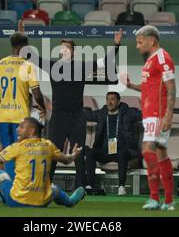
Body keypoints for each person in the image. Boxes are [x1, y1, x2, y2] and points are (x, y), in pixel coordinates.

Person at [20, 23, 123, 189]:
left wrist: (116, 45)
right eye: (62, 48)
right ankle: (46, 186)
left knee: (79, 156)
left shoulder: (82, 66)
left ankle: (80, 188)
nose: (64, 50)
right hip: (58, 118)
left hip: (77, 117)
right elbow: (30, 56)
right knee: (52, 153)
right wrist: (24, 38)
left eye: (67, 47)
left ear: (73, 52)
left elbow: (105, 60)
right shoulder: (52, 65)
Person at [0, 117, 86, 208]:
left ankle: (2, 197)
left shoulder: (17, 147)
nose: (17, 130)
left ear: (31, 131)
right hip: (42, 201)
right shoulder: (48, 145)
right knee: (54, 189)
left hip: (17, 200)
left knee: (0, 174)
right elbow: (67, 160)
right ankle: (70, 201)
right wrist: (74, 154)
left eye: (21, 127)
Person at [121, 25, 177, 211]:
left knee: (147, 150)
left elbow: (171, 88)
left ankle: (154, 197)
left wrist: (168, 115)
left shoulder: (162, 57)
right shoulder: (150, 61)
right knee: (161, 154)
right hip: (149, 113)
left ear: (152, 40)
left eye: (140, 41)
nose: (137, 46)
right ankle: (168, 201)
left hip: (157, 113)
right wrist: (130, 85)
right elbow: (148, 87)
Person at [0, 32, 46, 180]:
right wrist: (43, 108)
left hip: (3, 117)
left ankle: (9, 187)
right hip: (21, 119)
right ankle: (17, 187)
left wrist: (4, 104)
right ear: (25, 47)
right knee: (21, 153)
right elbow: (37, 95)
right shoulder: (28, 66)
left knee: (7, 152)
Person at [84, 92, 142, 196]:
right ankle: (90, 185)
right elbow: (87, 115)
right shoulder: (102, 113)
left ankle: (121, 186)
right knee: (91, 152)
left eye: (112, 99)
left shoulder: (127, 113)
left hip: (122, 151)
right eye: (107, 99)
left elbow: (142, 114)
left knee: (122, 152)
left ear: (118, 101)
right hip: (105, 151)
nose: (109, 102)